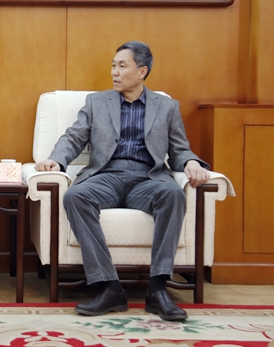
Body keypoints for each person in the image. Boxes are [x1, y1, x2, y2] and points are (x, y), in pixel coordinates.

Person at [35, 41, 210, 321]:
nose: (114, 72)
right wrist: (57, 159)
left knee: (174, 194)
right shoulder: (97, 102)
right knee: (75, 196)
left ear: (142, 71)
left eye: (122, 66)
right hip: (106, 175)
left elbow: (179, 150)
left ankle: (158, 290)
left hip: (148, 178)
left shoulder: (166, 107)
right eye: (113, 66)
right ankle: (109, 287)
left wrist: (190, 162)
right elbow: (74, 136)